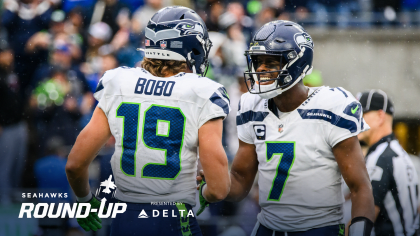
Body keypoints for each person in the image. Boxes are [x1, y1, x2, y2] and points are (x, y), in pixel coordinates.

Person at [197, 20, 375, 235]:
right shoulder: (250, 105)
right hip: (267, 227)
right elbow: (240, 182)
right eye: (257, 61)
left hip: (318, 229)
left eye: (271, 62)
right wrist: (214, 182)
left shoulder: (332, 107)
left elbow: (360, 186)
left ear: (298, 64)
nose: (261, 68)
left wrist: (360, 230)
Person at [65, 6, 231, 235]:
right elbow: (219, 188)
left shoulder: (119, 81)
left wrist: (85, 200)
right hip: (174, 218)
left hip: (125, 220)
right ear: (190, 47)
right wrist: (204, 194)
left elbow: (75, 164)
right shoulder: (202, 91)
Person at [357, 89, 419, 236]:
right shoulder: (399, 153)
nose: (356, 120)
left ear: (380, 116)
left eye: (361, 114)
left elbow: (363, 220)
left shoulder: (380, 158)